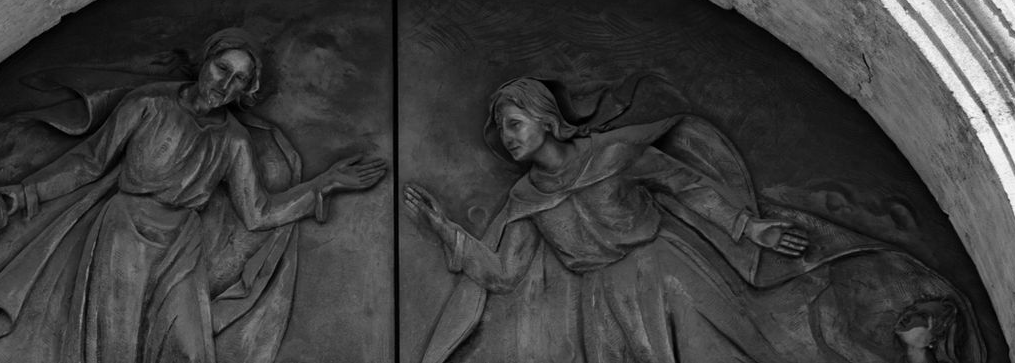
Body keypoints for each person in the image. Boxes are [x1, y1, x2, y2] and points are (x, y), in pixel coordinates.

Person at [404, 77, 979, 363]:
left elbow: (684, 184)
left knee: (745, 350)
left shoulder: (614, 155)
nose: (507, 138)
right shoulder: (525, 199)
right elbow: (504, 274)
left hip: (670, 276)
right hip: (602, 304)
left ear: (546, 119)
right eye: (503, 129)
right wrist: (442, 229)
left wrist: (747, 227)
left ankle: (916, 349)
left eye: (514, 124)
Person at [0, 28, 386, 363]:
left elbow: (257, 213)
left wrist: (324, 184)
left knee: (189, 350)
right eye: (222, 68)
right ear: (205, 61)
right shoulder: (148, 104)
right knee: (116, 346)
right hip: (124, 236)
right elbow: (89, 162)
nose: (225, 83)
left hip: (181, 246)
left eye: (239, 79)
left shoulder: (234, 142)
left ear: (246, 90)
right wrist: (18, 197)